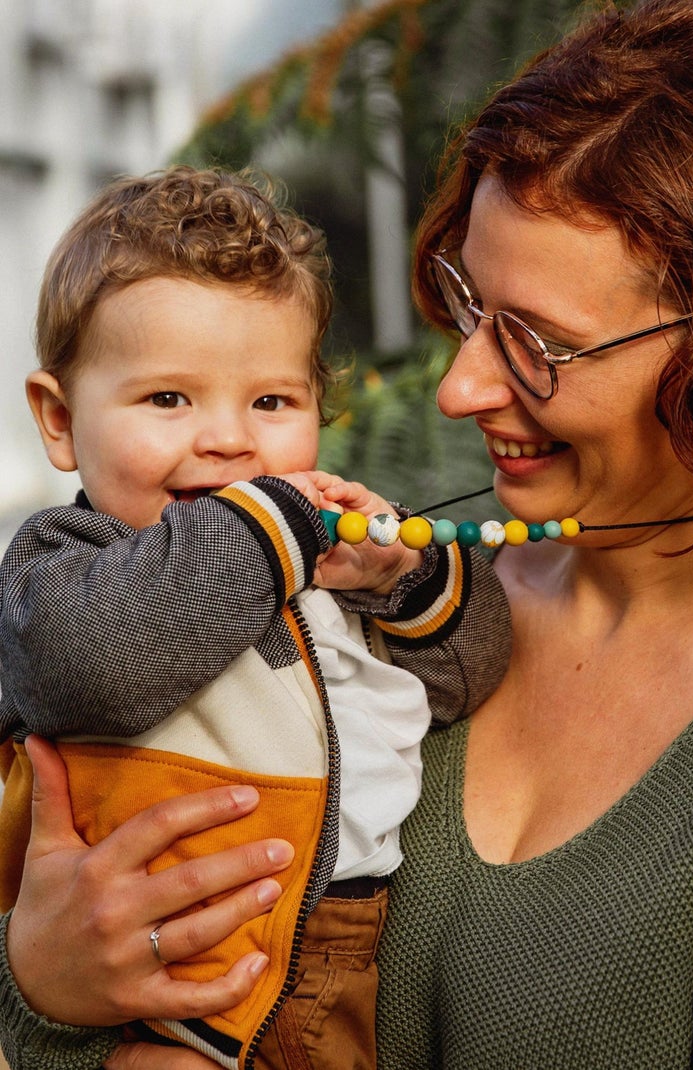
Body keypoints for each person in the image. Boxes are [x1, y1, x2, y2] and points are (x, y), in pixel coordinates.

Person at [3, 0, 693, 1065]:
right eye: (467, 303)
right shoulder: (400, 586)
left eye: (537, 344)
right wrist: (42, 983)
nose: (459, 386)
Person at [0, 166, 510, 1070]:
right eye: (168, 398)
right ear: (59, 419)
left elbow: (470, 676)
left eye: (271, 402)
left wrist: (403, 580)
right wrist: (271, 522)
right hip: (159, 995)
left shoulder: (319, 573)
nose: (229, 440)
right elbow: (93, 669)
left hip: (343, 959)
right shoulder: (62, 565)